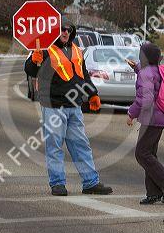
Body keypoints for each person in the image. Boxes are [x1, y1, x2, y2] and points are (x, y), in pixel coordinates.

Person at [24, 18, 113, 196]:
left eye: (68, 29)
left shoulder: (77, 51)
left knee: (81, 145)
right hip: (53, 106)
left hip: (74, 106)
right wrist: (35, 60)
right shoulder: (46, 49)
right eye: (61, 29)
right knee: (55, 146)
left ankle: (90, 182)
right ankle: (57, 183)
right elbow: (30, 71)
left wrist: (93, 93)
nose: (65, 32)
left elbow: (83, 75)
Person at [126, 43, 164, 205]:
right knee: (150, 153)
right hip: (160, 117)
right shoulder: (156, 70)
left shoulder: (146, 73)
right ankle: (154, 192)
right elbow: (149, 78)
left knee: (141, 153)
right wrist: (136, 68)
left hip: (152, 118)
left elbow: (146, 99)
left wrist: (131, 113)